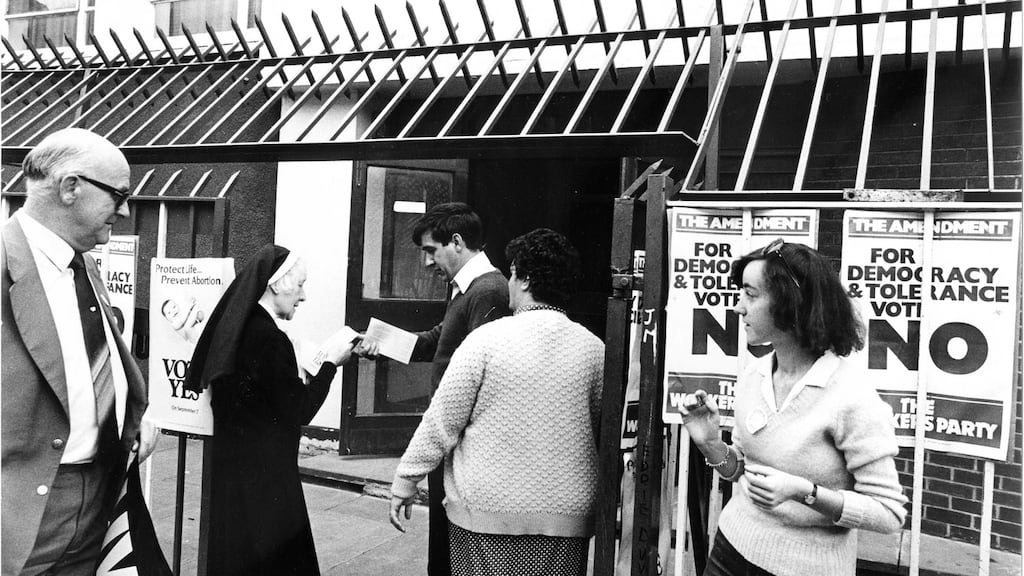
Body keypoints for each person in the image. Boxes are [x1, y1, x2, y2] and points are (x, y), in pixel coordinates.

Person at [678, 238, 907, 576]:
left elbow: (889, 514)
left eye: (751, 295)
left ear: (791, 303)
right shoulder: (753, 375)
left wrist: (806, 493)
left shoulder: (851, 396)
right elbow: (743, 471)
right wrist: (711, 444)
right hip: (730, 550)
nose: (739, 307)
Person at [389, 228, 604, 576]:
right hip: (566, 517)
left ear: (524, 278)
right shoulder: (595, 350)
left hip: (486, 514)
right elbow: (599, 430)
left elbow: (442, 421)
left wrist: (406, 480)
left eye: (513, 273)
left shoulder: (485, 341)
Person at [1, 128, 159, 576]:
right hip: (20, 512)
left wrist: (131, 410)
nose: (125, 210)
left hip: (99, 500)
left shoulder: (83, 265)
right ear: (71, 187)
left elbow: (90, 362)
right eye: (118, 195)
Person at [183, 244, 354, 576]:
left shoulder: (238, 329)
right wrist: (330, 364)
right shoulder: (270, 339)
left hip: (233, 476)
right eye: (300, 285)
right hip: (268, 481)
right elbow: (298, 410)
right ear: (277, 284)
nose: (302, 296)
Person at [359, 202, 509, 576]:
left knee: (451, 546)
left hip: (460, 442)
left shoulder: (487, 291)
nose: (427, 263)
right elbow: (438, 341)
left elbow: (481, 377)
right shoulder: (469, 289)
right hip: (453, 440)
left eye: (431, 251)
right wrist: (380, 341)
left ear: (456, 242)